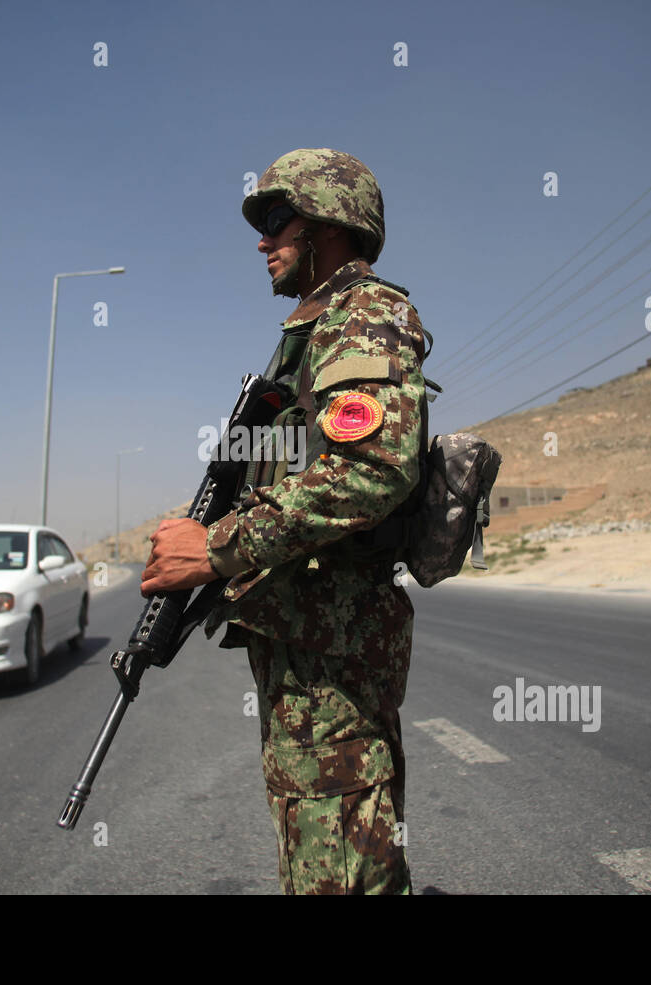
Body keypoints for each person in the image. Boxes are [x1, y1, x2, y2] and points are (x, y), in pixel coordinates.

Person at [141, 148, 427, 894]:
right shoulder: (306, 335)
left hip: (335, 652)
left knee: (338, 872)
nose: (263, 240)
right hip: (303, 643)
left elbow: (372, 470)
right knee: (324, 855)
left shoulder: (367, 312)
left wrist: (217, 548)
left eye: (277, 218)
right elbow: (280, 473)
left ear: (332, 222)